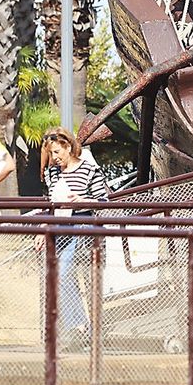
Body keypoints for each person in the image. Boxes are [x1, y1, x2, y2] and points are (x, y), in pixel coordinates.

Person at [46, 126, 107, 346]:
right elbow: (51, 202)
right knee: (58, 275)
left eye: (57, 152)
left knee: (66, 274)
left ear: (68, 147)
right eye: (51, 153)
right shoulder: (52, 173)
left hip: (81, 226)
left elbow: (103, 200)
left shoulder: (89, 170)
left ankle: (80, 326)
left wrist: (83, 200)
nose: (54, 157)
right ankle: (79, 326)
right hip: (60, 227)